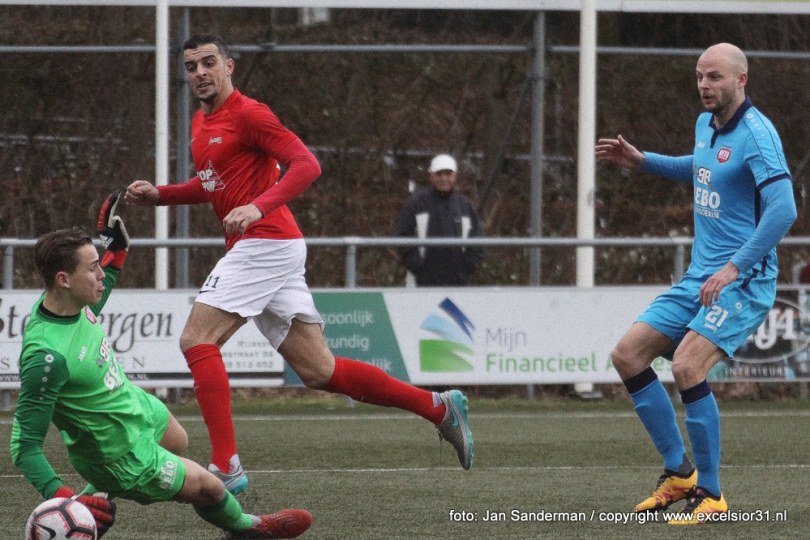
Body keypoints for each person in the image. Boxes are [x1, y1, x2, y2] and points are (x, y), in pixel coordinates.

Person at [124, 33, 474, 493]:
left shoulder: (250, 114)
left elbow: (306, 164)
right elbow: (212, 183)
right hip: (269, 246)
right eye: (191, 67)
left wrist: (258, 207)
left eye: (209, 62)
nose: (200, 73)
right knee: (319, 371)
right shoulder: (199, 122)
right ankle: (438, 407)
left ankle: (226, 464)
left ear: (231, 66)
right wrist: (162, 196)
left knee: (196, 339)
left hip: (265, 240)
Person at [10, 196, 312, 539]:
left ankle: (95, 498)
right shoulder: (47, 358)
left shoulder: (71, 303)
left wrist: (118, 249)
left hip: (135, 408)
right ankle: (250, 528)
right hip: (118, 453)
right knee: (211, 487)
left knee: (178, 440)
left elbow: (101, 288)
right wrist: (62, 499)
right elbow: (25, 446)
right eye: (91, 267)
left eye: (98, 264)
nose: (100, 274)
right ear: (64, 280)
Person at [595, 42, 796, 525]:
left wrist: (733, 268)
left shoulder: (759, 136)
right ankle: (679, 473)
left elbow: (784, 210)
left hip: (743, 282)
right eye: (700, 76)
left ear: (741, 80)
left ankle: (711, 493)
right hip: (698, 279)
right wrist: (644, 161)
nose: (705, 85)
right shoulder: (706, 125)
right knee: (627, 355)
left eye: (715, 77)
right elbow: (700, 167)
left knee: (687, 366)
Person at [394, 154, 484, 286]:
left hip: (458, 282)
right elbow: (403, 236)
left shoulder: (465, 205)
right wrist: (418, 266)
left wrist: (466, 267)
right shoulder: (416, 203)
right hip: (421, 283)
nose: (444, 178)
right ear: (431, 176)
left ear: (455, 175)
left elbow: (477, 239)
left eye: (448, 174)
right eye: (439, 174)